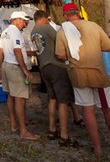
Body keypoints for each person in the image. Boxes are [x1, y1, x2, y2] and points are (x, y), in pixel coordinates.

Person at [56, 3, 110, 156]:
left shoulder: (63, 31)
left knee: (87, 109)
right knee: (107, 108)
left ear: (65, 16)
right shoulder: (93, 26)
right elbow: (109, 48)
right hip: (97, 72)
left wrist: (71, 54)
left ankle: (98, 147)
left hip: (78, 74)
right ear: (79, 13)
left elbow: (60, 55)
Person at [31, 10, 80, 147]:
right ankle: (64, 135)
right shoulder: (47, 28)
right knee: (63, 101)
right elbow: (61, 42)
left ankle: (52, 129)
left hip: (45, 68)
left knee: (52, 98)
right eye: (47, 19)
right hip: (56, 66)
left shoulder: (33, 31)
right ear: (44, 18)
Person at [0, 11, 39, 140]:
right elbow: (17, 51)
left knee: (10, 96)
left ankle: (14, 124)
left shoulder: (5, 32)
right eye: (24, 20)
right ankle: (24, 131)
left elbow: (1, 51)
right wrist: (26, 71)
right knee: (20, 99)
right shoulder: (15, 31)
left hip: (6, 65)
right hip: (14, 67)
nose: (25, 23)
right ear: (16, 20)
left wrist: (1, 66)